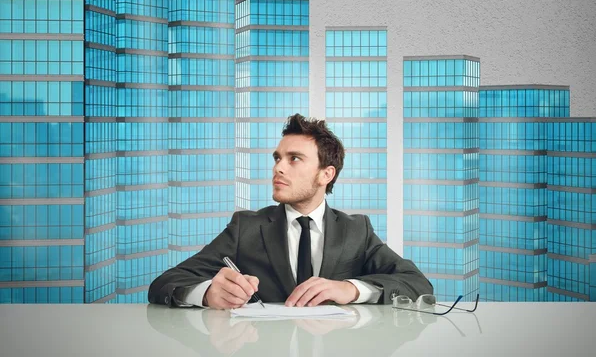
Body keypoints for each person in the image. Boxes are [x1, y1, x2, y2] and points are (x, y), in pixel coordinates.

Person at [148, 114, 433, 309]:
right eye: (277, 158)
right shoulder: (246, 227)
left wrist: (350, 289)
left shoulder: (356, 230)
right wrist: (208, 293)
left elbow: (417, 283)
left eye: (294, 159)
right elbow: (165, 283)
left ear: (326, 174)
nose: (278, 168)